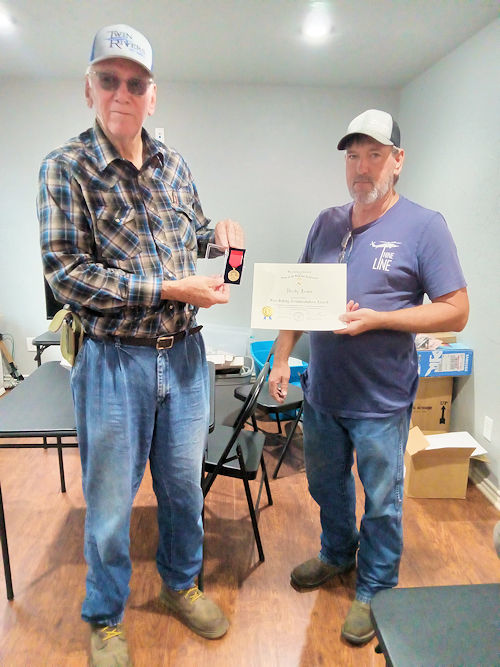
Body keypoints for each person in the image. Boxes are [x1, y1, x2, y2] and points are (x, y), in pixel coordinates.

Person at [38, 24, 244, 666]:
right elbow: (67, 273)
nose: (122, 93)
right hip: (111, 363)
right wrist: (172, 287)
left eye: (136, 83)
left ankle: (182, 584)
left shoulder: (175, 164)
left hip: (184, 359)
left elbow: (193, 233)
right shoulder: (64, 168)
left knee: (184, 489)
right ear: (89, 89)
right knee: (108, 504)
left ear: (151, 96)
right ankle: (104, 619)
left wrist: (220, 235)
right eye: (109, 80)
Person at [268, 109, 469, 645]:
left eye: (374, 154)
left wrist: (382, 318)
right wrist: (283, 356)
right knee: (324, 483)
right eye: (353, 156)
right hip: (324, 392)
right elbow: (296, 296)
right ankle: (337, 554)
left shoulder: (425, 226)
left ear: (397, 161)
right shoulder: (326, 222)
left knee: (381, 499)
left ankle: (376, 588)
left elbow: (455, 310)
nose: (361, 167)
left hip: (382, 399)